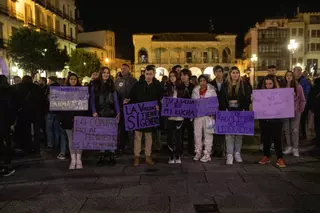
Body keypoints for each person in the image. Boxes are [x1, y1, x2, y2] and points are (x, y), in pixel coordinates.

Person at [124, 65, 164, 166]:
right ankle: (136, 157)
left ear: (154, 74)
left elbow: (161, 99)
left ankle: (148, 156)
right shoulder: (138, 85)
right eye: (147, 74)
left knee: (148, 137)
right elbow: (131, 97)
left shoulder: (158, 86)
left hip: (150, 116)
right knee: (137, 136)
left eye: (150, 74)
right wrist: (127, 101)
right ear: (144, 74)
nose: (148, 76)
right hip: (138, 115)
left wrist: (159, 106)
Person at [220, 66, 251, 165]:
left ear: (239, 74)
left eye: (237, 73)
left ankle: (237, 153)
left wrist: (245, 109)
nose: (235, 74)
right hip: (228, 111)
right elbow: (221, 99)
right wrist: (224, 109)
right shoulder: (224, 85)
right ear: (230, 74)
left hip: (240, 111)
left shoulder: (244, 85)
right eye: (233, 72)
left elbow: (247, 98)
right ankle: (229, 154)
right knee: (229, 134)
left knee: (238, 134)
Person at [91, 67, 120, 166]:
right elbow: (92, 100)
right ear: (101, 73)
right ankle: (102, 153)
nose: (106, 74)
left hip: (111, 113)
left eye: (107, 73)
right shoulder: (95, 85)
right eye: (104, 73)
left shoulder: (112, 84)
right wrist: (94, 111)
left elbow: (115, 100)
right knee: (101, 134)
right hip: (100, 113)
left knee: (111, 134)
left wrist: (118, 112)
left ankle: (111, 153)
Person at [258, 75, 286, 168]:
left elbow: (285, 103)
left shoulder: (279, 93)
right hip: (265, 120)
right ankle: (266, 156)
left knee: (277, 139)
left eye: (270, 83)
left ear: (274, 83)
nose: (268, 86)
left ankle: (280, 158)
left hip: (276, 120)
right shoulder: (261, 93)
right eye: (266, 84)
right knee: (266, 139)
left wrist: (291, 97)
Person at [59, 73, 85, 169]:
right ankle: (73, 159)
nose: (73, 81)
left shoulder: (82, 91)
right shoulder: (63, 91)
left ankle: (79, 159)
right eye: (71, 79)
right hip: (67, 118)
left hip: (79, 118)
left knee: (79, 139)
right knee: (71, 140)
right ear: (68, 80)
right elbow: (61, 106)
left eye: (75, 79)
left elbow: (84, 106)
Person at [192, 75, 217, 163]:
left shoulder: (212, 91)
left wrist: (213, 114)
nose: (202, 82)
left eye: (204, 80)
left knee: (208, 135)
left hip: (209, 117)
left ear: (207, 81)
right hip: (198, 116)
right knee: (197, 134)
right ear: (198, 82)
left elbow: (215, 103)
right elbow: (193, 104)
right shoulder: (195, 91)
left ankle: (207, 153)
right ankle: (198, 152)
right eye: (201, 81)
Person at [282, 71, 306, 157]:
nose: (288, 77)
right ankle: (289, 146)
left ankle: (295, 148)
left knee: (294, 130)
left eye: (290, 75)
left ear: (293, 77)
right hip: (285, 112)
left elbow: (303, 100)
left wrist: (300, 109)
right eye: (287, 75)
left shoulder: (298, 87)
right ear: (285, 77)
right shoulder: (283, 87)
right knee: (287, 130)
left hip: (295, 112)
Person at [114, 64, 137, 153]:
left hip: (131, 108)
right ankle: (122, 146)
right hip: (120, 108)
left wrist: (130, 100)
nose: (122, 70)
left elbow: (136, 93)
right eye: (121, 68)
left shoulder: (134, 80)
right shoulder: (116, 81)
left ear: (129, 69)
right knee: (121, 128)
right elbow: (114, 95)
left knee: (131, 128)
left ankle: (131, 146)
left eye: (124, 68)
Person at [165, 71, 185, 164]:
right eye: (170, 76)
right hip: (169, 116)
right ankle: (171, 155)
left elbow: (186, 101)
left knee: (178, 137)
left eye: (173, 76)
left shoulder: (182, 87)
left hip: (179, 117)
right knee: (170, 136)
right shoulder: (166, 88)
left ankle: (178, 155)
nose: (172, 77)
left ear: (177, 77)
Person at [0, 75, 16, 176]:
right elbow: (12, 107)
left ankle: (6, 164)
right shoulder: (10, 91)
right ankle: (7, 163)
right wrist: (12, 122)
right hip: (5, 120)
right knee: (6, 140)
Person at [211, 65, 226, 157]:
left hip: (224, 108)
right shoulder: (211, 84)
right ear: (214, 73)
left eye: (220, 71)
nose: (218, 73)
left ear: (222, 72)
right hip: (213, 109)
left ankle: (222, 149)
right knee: (214, 130)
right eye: (216, 71)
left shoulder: (227, 83)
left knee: (223, 130)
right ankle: (215, 149)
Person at [180, 69, 195, 155]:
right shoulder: (178, 86)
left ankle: (191, 149)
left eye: (184, 75)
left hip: (191, 113)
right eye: (181, 75)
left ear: (188, 76)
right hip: (181, 113)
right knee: (180, 133)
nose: (183, 77)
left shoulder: (194, 87)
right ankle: (180, 149)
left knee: (191, 132)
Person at [293, 67, 311, 140]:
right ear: (294, 71)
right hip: (293, 104)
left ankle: (303, 135)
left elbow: (307, 92)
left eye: (300, 71)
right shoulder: (292, 80)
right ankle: (297, 135)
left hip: (302, 103)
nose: (299, 72)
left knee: (302, 120)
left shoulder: (304, 81)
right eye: (298, 71)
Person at [308, 77, 320, 146]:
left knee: (318, 126)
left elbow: (311, 98)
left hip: (317, 110)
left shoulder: (315, 88)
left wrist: (310, 108)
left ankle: (318, 140)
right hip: (317, 109)